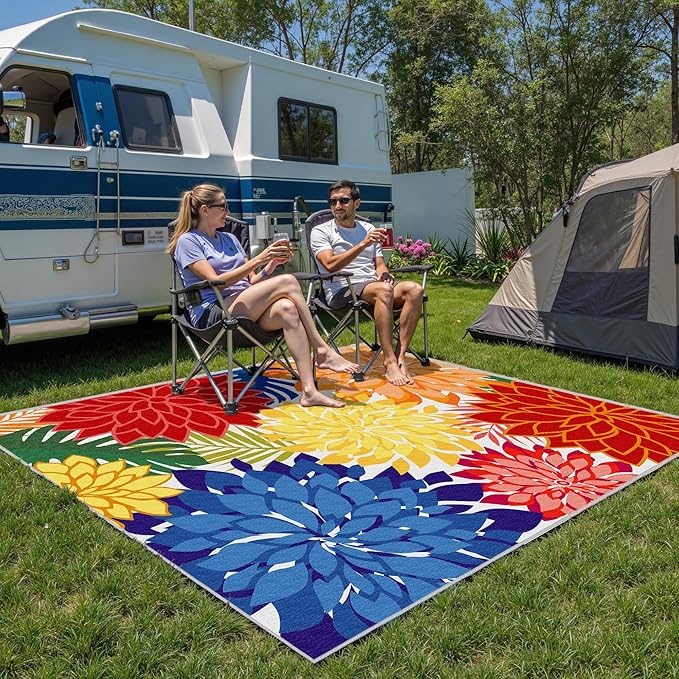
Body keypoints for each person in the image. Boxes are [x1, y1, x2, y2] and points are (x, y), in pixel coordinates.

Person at [167, 183, 358, 408]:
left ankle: (309, 391)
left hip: (242, 306)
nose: (228, 212)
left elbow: (250, 282)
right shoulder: (188, 241)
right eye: (223, 206)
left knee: (287, 308)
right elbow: (217, 282)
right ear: (205, 210)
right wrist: (260, 258)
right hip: (213, 312)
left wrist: (270, 265)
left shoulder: (230, 239)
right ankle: (322, 349)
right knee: (288, 281)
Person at [310, 179, 424, 386]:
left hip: (373, 285)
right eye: (333, 201)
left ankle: (400, 356)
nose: (337, 206)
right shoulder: (321, 231)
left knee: (415, 289)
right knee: (384, 291)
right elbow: (329, 265)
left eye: (343, 200)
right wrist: (363, 244)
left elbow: (379, 263)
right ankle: (389, 361)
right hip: (340, 289)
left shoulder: (368, 228)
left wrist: (384, 273)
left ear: (357, 203)